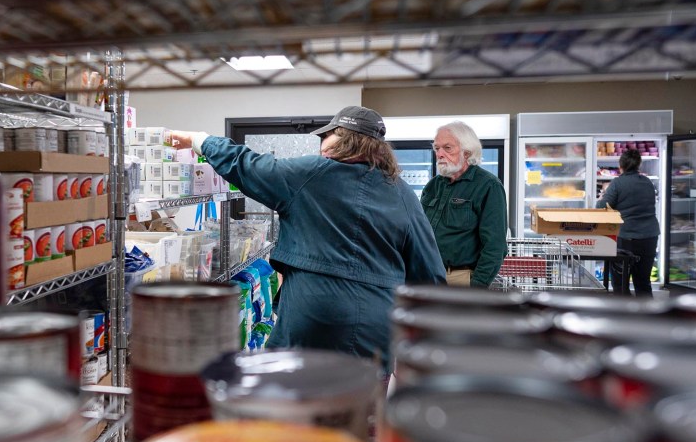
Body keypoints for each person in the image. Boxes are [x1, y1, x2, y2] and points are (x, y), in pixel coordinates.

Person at [170, 105, 446, 366]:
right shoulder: (403, 193)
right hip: (377, 323)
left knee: (292, 401)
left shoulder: (310, 174)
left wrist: (200, 140)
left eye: (326, 136)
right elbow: (430, 274)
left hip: (313, 311)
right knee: (363, 406)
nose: (322, 144)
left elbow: (247, 165)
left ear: (343, 138)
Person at [419, 121, 508, 288]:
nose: (440, 154)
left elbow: (495, 247)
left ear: (467, 152)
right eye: (437, 148)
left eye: (447, 148)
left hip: (460, 279)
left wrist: (476, 287)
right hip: (426, 275)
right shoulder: (432, 186)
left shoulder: (488, 186)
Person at [597, 148, 660, 297]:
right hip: (649, 237)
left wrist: (602, 197)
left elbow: (602, 207)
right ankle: (647, 316)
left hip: (627, 237)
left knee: (620, 282)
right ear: (639, 165)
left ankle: (624, 315)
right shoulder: (647, 182)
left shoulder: (618, 183)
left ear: (621, 166)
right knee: (643, 282)